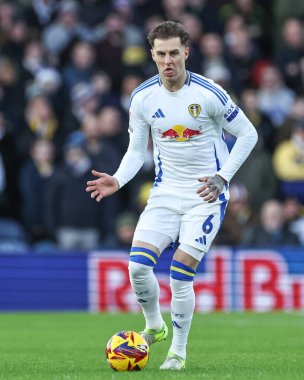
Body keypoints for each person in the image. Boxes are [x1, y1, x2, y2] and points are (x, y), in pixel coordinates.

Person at [86, 21, 258, 370]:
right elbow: (137, 151)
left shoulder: (210, 94)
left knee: (180, 273)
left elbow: (248, 134)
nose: (168, 61)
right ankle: (154, 325)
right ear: (152, 55)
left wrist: (223, 178)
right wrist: (118, 180)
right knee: (137, 267)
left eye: (174, 53)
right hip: (164, 193)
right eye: (161, 54)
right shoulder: (143, 97)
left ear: (186, 53)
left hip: (204, 196)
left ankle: (177, 352)